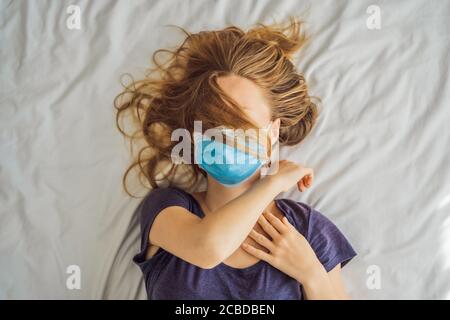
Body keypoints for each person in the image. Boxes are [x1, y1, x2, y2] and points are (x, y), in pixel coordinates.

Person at [115, 18, 357, 300]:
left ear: (273, 132)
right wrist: (270, 185)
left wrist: (311, 274)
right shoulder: (168, 208)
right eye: (213, 122)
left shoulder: (307, 230)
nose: (226, 136)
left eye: (241, 123)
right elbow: (207, 249)